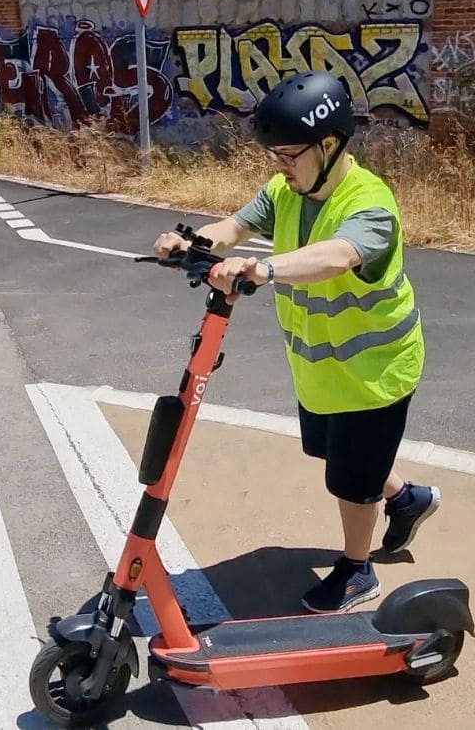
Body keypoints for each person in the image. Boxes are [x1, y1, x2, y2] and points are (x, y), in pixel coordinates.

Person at [151, 71, 439, 614]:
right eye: (275, 156)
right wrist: (190, 242)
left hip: (374, 372)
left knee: (350, 484)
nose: (279, 165)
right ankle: (407, 499)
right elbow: (235, 225)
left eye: (287, 154)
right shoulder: (285, 191)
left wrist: (264, 268)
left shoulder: (370, 204)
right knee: (335, 453)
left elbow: (339, 255)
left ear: (328, 145)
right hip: (322, 369)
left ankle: (357, 571)